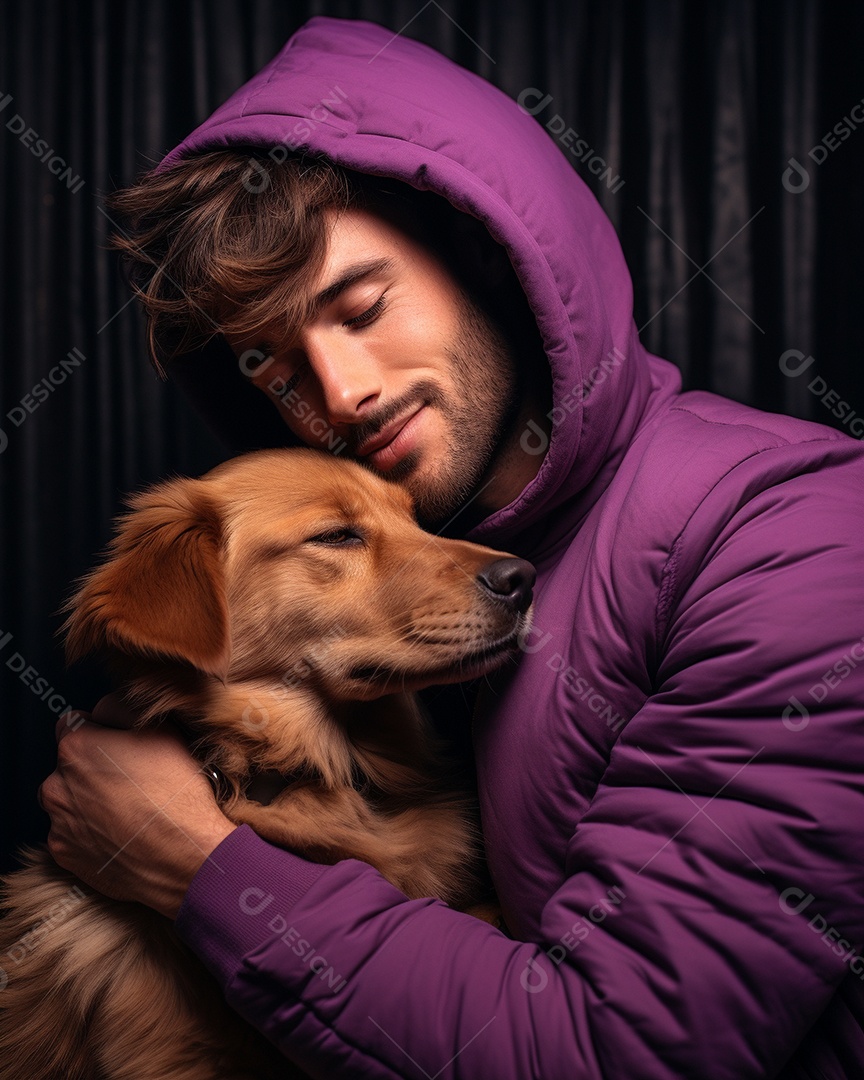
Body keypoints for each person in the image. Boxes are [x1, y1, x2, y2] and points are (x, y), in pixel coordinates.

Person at [40, 15, 864, 1078]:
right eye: (274, 366)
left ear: (486, 250)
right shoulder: (446, 572)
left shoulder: (797, 537)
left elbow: (620, 1053)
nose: (339, 393)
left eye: (362, 305)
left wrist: (202, 867)